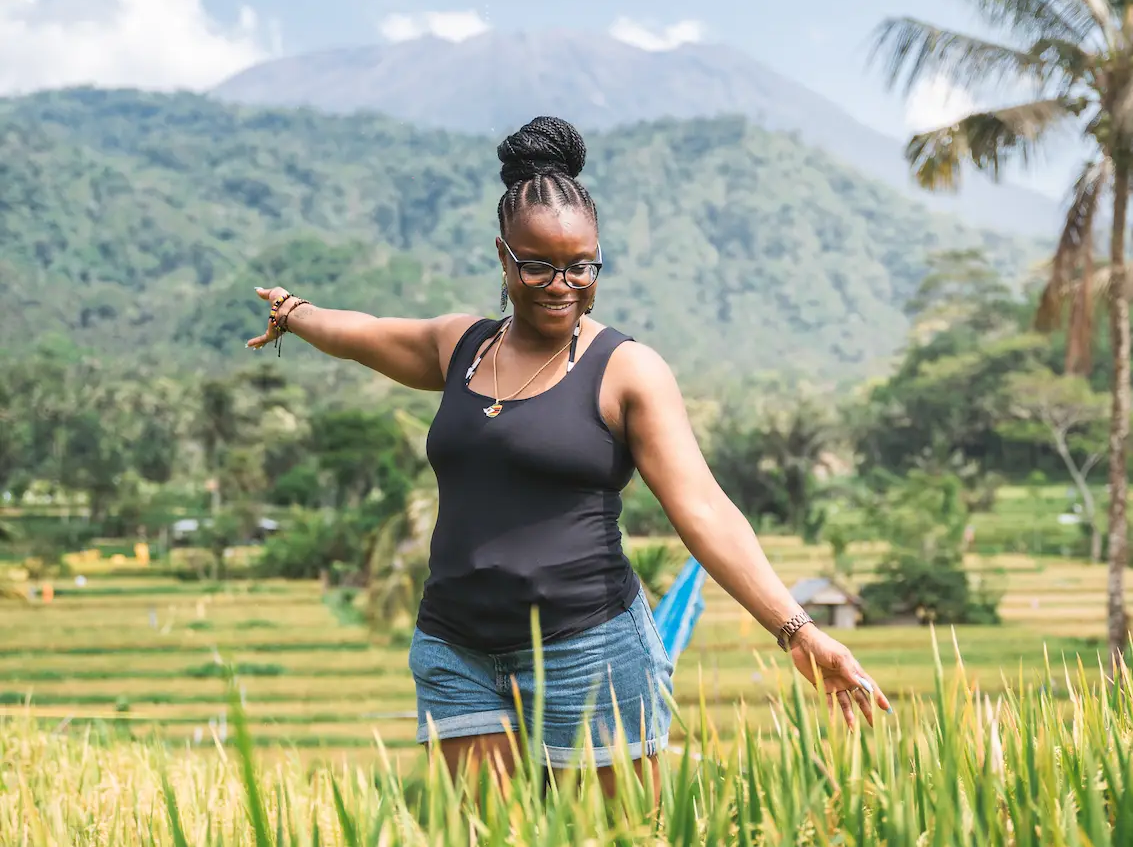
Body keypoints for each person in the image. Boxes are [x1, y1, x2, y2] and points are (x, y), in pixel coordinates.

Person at [247, 115, 890, 792]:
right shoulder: (460, 346)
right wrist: (295, 312)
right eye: (538, 266)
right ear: (503, 258)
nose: (561, 284)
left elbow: (702, 509)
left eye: (581, 266)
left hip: (589, 646)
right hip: (456, 648)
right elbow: (364, 332)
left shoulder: (627, 371)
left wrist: (796, 630)